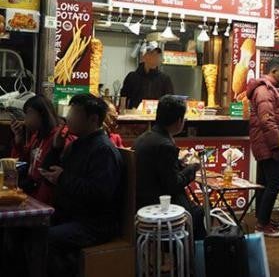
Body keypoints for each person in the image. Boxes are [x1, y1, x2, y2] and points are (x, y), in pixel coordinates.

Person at [41, 94, 123, 277]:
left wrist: (63, 178)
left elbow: (100, 194)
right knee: (29, 229)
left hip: (95, 224)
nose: (68, 118)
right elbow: (46, 174)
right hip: (71, 216)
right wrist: (55, 148)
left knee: (46, 238)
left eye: (74, 113)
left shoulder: (103, 150)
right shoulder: (76, 145)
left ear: (93, 119)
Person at [135, 95, 205, 239]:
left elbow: (158, 170)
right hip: (157, 205)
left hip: (140, 202)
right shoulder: (165, 145)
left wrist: (179, 163)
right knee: (198, 212)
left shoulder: (143, 138)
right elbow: (173, 184)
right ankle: (192, 258)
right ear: (179, 120)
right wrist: (192, 168)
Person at [246, 57, 279, 238]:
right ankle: (262, 224)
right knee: (275, 181)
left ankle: (263, 218)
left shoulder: (266, 89)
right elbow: (267, 121)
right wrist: (276, 146)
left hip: (262, 142)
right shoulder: (264, 91)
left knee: (264, 183)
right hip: (267, 143)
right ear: (276, 71)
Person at [9, 95, 66, 204]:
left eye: (29, 114)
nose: (25, 119)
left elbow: (49, 175)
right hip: (30, 191)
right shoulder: (37, 135)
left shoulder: (59, 137)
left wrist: (38, 201)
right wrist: (18, 138)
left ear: (43, 115)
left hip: (46, 199)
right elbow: (19, 162)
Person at [120, 41, 174, 110]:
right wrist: (122, 112)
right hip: (134, 117)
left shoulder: (165, 79)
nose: (155, 57)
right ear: (144, 56)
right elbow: (123, 97)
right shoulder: (132, 77)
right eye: (152, 53)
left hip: (156, 118)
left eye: (158, 54)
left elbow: (170, 101)